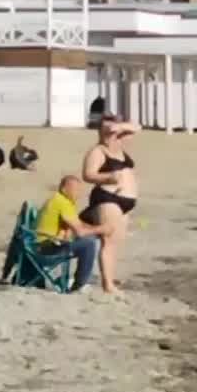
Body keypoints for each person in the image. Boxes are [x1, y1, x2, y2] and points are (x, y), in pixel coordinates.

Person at [82, 115, 140, 295]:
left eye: (112, 131)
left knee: (116, 242)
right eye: (105, 131)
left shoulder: (120, 146)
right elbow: (87, 174)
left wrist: (119, 127)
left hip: (125, 202)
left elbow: (137, 127)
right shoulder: (98, 151)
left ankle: (110, 279)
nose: (109, 134)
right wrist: (108, 177)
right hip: (108, 198)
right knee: (108, 241)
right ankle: (107, 285)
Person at [35, 176, 112, 292]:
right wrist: (102, 229)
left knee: (88, 239)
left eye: (79, 190)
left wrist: (96, 229)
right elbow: (80, 231)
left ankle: (79, 281)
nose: (78, 194)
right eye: (75, 190)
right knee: (88, 243)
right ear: (64, 189)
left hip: (39, 245)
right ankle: (80, 284)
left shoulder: (57, 199)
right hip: (45, 248)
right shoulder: (62, 202)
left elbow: (78, 224)